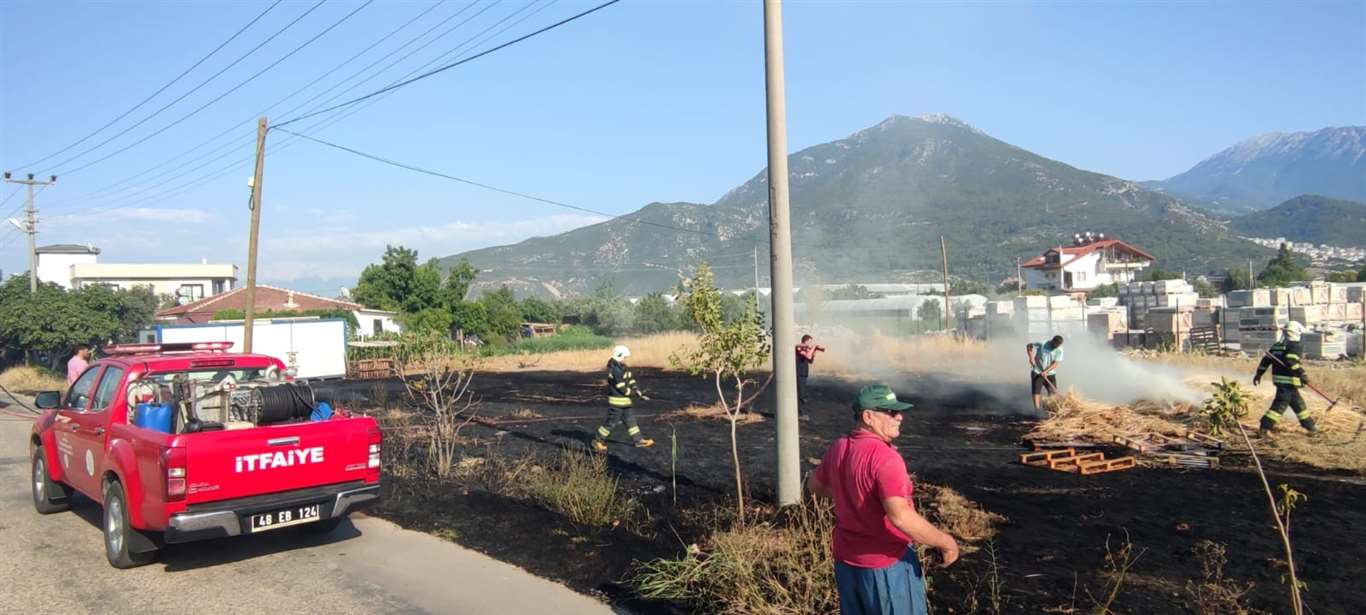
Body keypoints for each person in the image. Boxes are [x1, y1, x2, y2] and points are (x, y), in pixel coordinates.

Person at [807, 384, 959, 615]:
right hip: (887, 565)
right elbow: (901, 516)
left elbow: (814, 485)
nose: (899, 416)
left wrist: (852, 498)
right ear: (868, 416)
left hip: (847, 562)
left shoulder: (839, 447)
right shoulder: (886, 458)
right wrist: (946, 542)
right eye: (890, 412)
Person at [1254, 321, 1317, 435]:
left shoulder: (1277, 346)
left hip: (1281, 381)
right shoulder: (1295, 346)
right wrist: (1302, 373)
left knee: (1298, 404)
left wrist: (1259, 374)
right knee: (1280, 405)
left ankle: (1310, 427)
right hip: (1288, 382)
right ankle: (1265, 427)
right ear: (1297, 334)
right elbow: (1291, 360)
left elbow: (1265, 361)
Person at [593, 345, 655, 451]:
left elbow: (630, 379)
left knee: (631, 422)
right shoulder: (615, 370)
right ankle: (597, 441)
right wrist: (633, 393)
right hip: (617, 404)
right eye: (624, 357)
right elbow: (621, 386)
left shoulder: (622, 367)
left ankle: (639, 441)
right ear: (619, 356)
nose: (625, 359)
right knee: (610, 424)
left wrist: (636, 389)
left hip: (625, 402)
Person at [1026, 336, 1064, 411]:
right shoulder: (1043, 343)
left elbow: (1056, 363)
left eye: (1058, 345)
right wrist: (1031, 358)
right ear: (1052, 341)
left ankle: (1051, 409)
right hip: (1037, 371)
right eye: (1055, 345)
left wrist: (1046, 371)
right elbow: (1029, 345)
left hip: (1050, 373)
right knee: (1036, 391)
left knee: (1053, 392)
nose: (1056, 347)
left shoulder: (1060, 350)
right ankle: (1037, 409)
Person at [796, 334, 825, 417]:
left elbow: (810, 360)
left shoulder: (806, 349)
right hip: (799, 374)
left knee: (802, 394)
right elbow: (807, 355)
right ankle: (800, 414)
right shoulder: (799, 348)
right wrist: (813, 348)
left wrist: (814, 351)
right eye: (810, 342)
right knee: (800, 395)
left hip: (803, 374)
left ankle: (799, 413)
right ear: (805, 341)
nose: (811, 343)